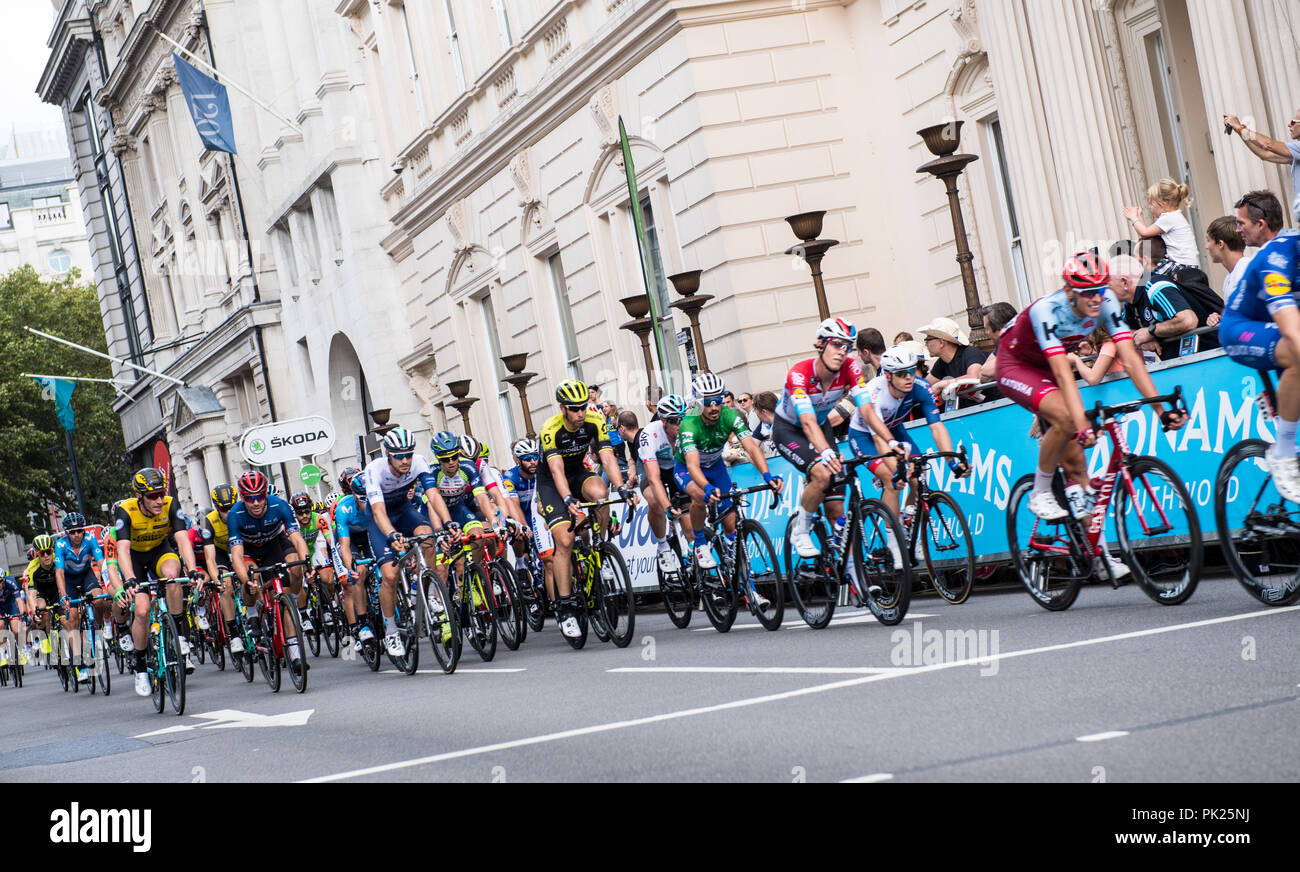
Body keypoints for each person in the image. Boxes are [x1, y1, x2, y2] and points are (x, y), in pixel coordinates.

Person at [995, 253, 1185, 574]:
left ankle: (1098, 556)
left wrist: (1160, 409)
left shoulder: (1107, 301)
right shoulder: (1047, 310)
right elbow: (1062, 373)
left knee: (1078, 470)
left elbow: (1132, 359)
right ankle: (1040, 493)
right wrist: (1080, 424)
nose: (1097, 298)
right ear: (1069, 290)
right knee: (1069, 419)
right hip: (1017, 366)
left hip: (1049, 370)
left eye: (1100, 289)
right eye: (1088, 292)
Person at [849, 346, 970, 565]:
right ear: (888, 375)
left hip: (895, 430)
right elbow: (878, 437)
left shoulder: (921, 387)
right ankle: (893, 543)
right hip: (866, 436)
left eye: (911, 371)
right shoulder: (875, 393)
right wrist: (897, 469)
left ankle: (909, 522)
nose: (909, 377)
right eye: (901, 373)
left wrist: (952, 462)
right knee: (893, 480)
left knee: (918, 472)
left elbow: (937, 428)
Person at [536, 379, 636, 640]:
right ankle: (566, 608)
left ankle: (598, 550)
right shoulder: (550, 429)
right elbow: (556, 471)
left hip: (579, 472)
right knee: (565, 540)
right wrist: (568, 499)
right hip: (551, 482)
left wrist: (622, 487)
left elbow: (607, 457)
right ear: (563, 409)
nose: (580, 413)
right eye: (574, 408)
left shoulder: (594, 420)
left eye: (583, 407)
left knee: (601, 494)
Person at [1218, 189, 1300, 501]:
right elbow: (1292, 331)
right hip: (1240, 328)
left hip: (1274, 329)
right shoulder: (1277, 255)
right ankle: (1283, 449)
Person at [772, 317, 872, 558]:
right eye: (837, 344)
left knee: (836, 508)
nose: (842, 352)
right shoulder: (799, 373)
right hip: (789, 429)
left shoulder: (850, 367)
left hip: (820, 425)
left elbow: (867, 410)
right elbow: (806, 421)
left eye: (847, 346)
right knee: (822, 472)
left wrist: (889, 440)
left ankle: (852, 576)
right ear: (820, 344)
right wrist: (825, 452)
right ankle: (801, 530)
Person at [675, 373, 782, 571]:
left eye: (718, 400)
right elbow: (691, 465)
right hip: (688, 469)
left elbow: (751, 448)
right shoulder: (688, 425)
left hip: (716, 467)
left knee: (731, 526)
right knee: (698, 497)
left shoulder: (730, 416)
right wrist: (706, 487)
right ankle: (699, 544)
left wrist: (767, 476)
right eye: (708, 402)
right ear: (698, 403)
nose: (715, 406)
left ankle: (745, 586)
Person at [358, 426, 446, 658]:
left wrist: (448, 523)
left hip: (403, 510)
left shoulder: (418, 462)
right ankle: (391, 630)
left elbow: (433, 495)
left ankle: (424, 592)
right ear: (388, 454)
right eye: (399, 456)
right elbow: (377, 511)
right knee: (389, 575)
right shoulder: (374, 470)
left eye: (409, 454)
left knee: (427, 536)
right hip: (380, 519)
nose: (406, 460)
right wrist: (391, 535)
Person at [114, 468, 204, 696]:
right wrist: (130, 579)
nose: (158, 499)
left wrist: (192, 570)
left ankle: (179, 635)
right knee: (142, 612)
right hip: (135, 557)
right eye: (152, 496)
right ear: (140, 497)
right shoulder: (125, 510)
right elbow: (122, 549)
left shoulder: (171, 504)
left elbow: (182, 539)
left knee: (173, 576)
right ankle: (141, 666)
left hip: (159, 551)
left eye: (161, 493)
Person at [227, 471, 311, 671]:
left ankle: (294, 652)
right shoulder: (235, 514)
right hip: (248, 550)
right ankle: (252, 613)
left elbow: (297, 539)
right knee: (251, 578)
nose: (255, 503)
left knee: (296, 568)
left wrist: (307, 562)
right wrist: (245, 580)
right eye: (249, 498)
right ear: (242, 497)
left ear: (266, 494)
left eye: (259, 497)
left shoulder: (279, 505)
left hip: (274, 544)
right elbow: (237, 555)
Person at [622, 396, 692, 573]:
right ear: (663, 420)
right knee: (655, 502)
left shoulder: (689, 429)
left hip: (675, 467)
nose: (680, 423)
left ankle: (698, 565)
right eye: (675, 420)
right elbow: (653, 478)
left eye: (683, 418)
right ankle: (663, 546)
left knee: (690, 521)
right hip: (650, 467)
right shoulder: (649, 434)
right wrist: (667, 506)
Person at [1110, 254, 1220, 359]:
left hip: (1210, 356)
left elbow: (1188, 320)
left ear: (1124, 282)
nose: (1105, 292)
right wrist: (1139, 338)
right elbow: (1124, 332)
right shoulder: (1129, 302)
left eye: (1108, 286)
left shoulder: (1155, 287)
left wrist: (1150, 332)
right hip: (1180, 364)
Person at [53, 512, 109, 684]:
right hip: (69, 580)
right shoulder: (60, 544)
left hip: (86, 576)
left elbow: (101, 563)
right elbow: (60, 573)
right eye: (72, 532)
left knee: (99, 599)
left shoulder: (90, 539)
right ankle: (81, 665)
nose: (77, 535)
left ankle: (98, 632)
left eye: (79, 531)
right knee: (73, 620)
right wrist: (64, 596)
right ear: (66, 533)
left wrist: (108, 581)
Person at [1223, 109, 1300, 222]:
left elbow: (1268, 144)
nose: (1289, 125)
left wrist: (1240, 128)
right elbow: (1265, 154)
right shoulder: (1296, 151)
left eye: (1293, 122)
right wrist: (1239, 131)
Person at [918, 316, 993, 407]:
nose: (925, 344)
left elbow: (974, 377)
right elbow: (924, 386)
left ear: (942, 342)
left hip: (998, 405)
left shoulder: (970, 352)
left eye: (928, 340)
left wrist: (943, 384)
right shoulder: (941, 362)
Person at [1124, 179, 1199, 267]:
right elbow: (1147, 235)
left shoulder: (1168, 218)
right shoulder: (1174, 216)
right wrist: (1139, 216)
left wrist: (1133, 218)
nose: (1149, 207)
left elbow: (1144, 233)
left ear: (1163, 204)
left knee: (1154, 273)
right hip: (1189, 264)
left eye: (1151, 204)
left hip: (1182, 265)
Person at [1205, 215, 1252, 299]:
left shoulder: (1246, 271)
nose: (1207, 246)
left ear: (1220, 244)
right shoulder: (1229, 279)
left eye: (1208, 240)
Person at [977, 301, 1018, 380]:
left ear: (998, 329)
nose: (986, 333)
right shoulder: (1001, 344)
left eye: (987, 329)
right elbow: (983, 372)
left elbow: (987, 371)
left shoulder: (1020, 338)